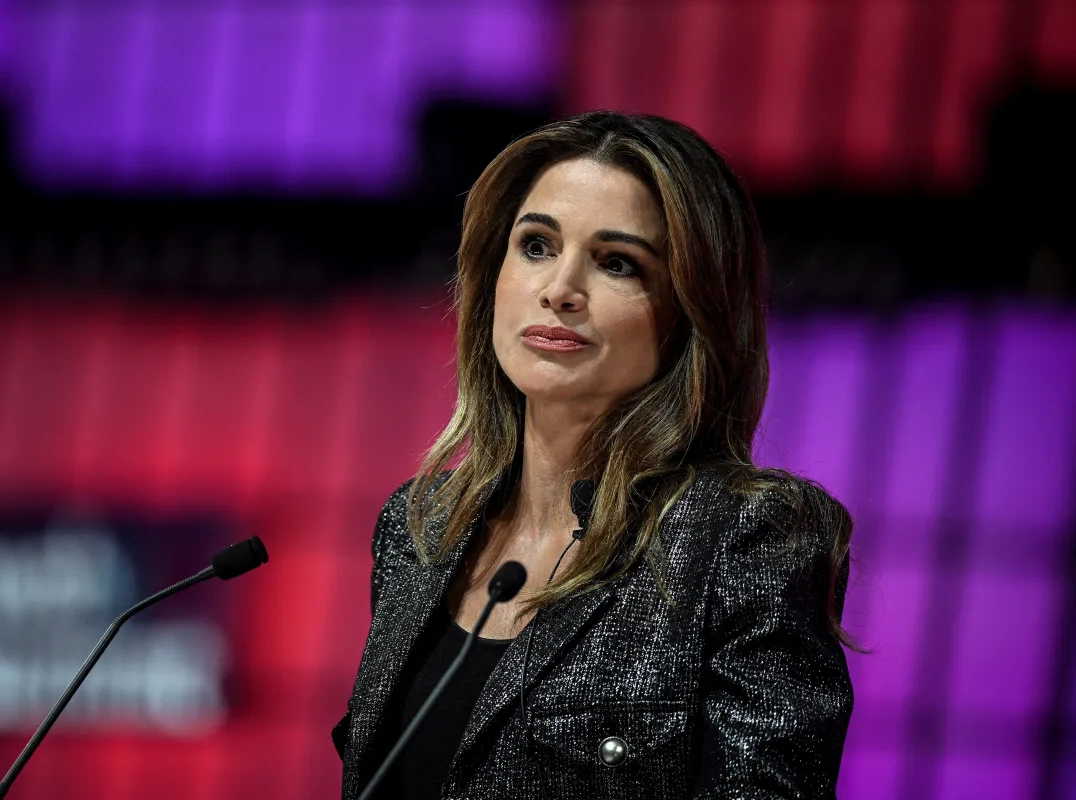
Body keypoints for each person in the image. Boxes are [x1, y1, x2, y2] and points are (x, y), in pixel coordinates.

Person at [332, 111, 857, 799]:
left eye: (617, 263)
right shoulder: (421, 527)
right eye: (537, 246)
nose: (560, 291)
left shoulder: (743, 540)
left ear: (688, 313)